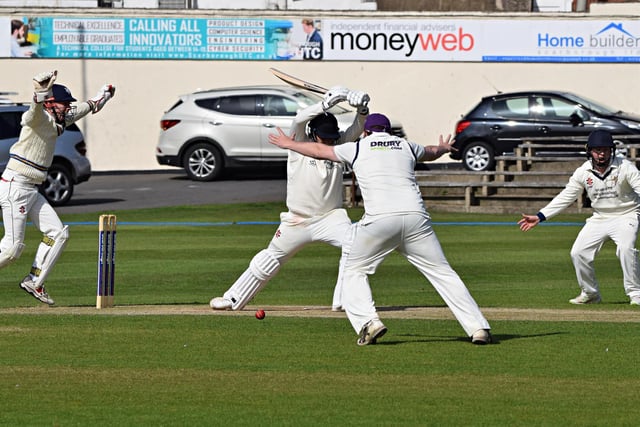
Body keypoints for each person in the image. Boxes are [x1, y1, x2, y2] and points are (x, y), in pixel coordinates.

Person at [268, 113, 492, 346]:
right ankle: (478, 328)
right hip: (417, 219)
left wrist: (289, 144)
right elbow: (430, 151)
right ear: (388, 131)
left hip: (381, 221)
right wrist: (444, 149)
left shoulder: (357, 148)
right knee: (444, 273)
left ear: (366, 132)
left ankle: (369, 323)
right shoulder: (405, 145)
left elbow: (319, 151)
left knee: (354, 270)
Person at [210, 86, 370, 311]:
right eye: (324, 138)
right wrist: (325, 104)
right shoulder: (297, 145)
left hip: (331, 217)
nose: (328, 142)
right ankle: (233, 298)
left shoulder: (338, 147)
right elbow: (298, 120)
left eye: (332, 138)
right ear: (313, 134)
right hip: (297, 220)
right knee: (270, 258)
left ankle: (344, 301)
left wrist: (362, 110)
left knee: (355, 244)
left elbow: (357, 127)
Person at [0, 70, 115, 305]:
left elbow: (88, 106)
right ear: (51, 104)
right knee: (12, 249)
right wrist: (40, 93)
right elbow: (31, 114)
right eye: (63, 104)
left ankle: (34, 280)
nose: (67, 108)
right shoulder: (39, 117)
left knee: (58, 233)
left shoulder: (61, 118)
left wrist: (104, 96)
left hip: (32, 188)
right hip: (16, 186)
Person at [518, 130, 640, 306]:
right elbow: (566, 196)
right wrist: (540, 216)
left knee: (626, 248)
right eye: (597, 150)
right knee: (578, 252)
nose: (602, 154)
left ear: (611, 150)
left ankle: (635, 293)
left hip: (627, 214)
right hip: (600, 217)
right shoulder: (583, 171)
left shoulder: (625, 167)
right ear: (589, 151)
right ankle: (590, 293)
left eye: (605, 150)